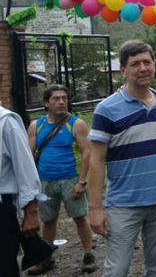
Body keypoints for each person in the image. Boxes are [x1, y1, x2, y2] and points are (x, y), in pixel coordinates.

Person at [88, 40, 156, 277]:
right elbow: (96, 160)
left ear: (155, 65)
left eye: (148, 62)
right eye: (135, 64)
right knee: (117, 269)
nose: (143, 68)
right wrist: (95, 208)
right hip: (124, 204)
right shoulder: (106, 109)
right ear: (123, 70)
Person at [26, 84, 96, 275]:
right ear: (46, 103)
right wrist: (30, 183)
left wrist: (81, 182)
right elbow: (28, 154)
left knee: (80, 217)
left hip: (70, 179)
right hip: (45, 182)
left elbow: (87, 152)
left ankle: (88, 255)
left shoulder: (75, 123)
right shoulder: (36, 125)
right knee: (48, 221)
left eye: (64, 98)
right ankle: (47, 258)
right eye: (56, 98)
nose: (61, 102)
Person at [0, 103, 46, 277]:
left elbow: (26, 168)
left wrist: (31, 211)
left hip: (2, 210)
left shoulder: (6, 122)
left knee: (4, 267)